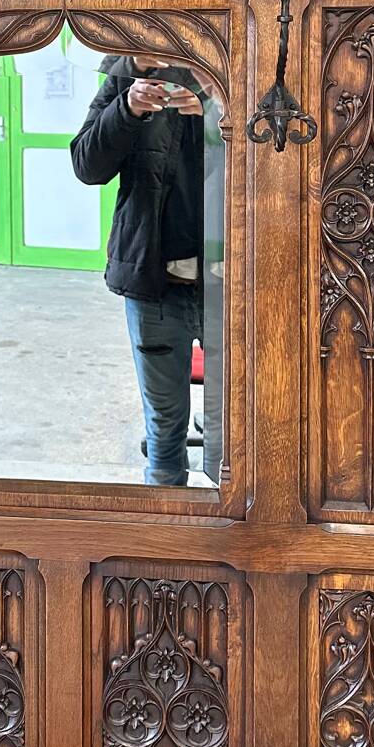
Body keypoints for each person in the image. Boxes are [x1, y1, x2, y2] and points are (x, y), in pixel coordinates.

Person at [70, 53, 223, 487]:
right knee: (163, 432)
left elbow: (281, 161)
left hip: (231, 286)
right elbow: (86, 166)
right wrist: (128, 107)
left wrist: (218, 111)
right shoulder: (124, 78)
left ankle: (227, 543)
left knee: (227, 438)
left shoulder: (237, 68)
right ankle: (165, 545)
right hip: (153, 284)